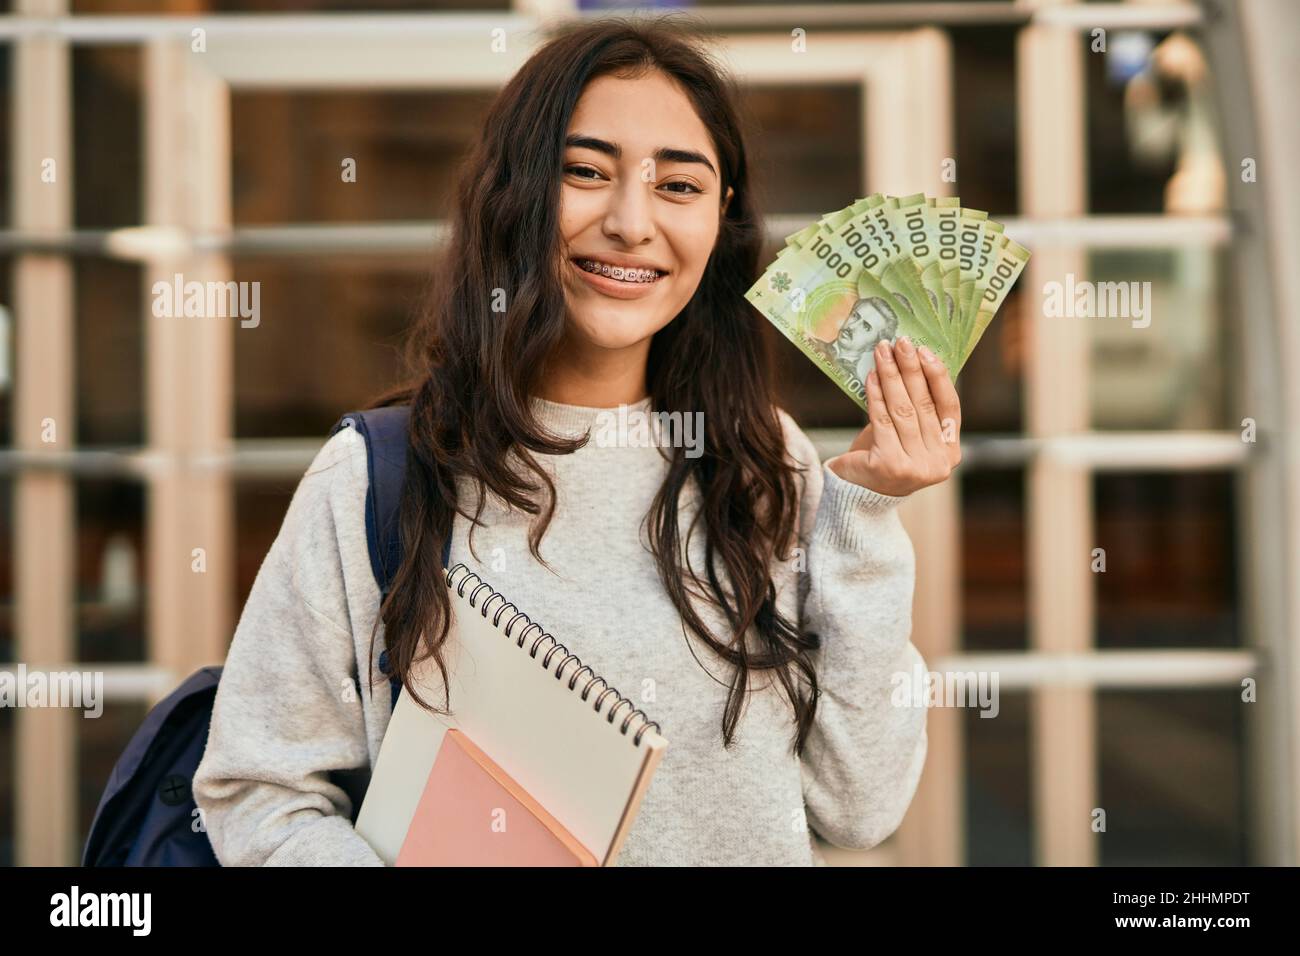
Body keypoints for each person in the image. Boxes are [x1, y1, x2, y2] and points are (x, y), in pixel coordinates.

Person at [193, 15, 962, 867]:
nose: (633, 223)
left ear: (722, 216)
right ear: (514, 194)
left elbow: (860, 809)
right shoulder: (380, 476)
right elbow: (259, 795)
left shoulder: (762, 461)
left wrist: (869, 518)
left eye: (679, 186)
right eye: (587, 173)